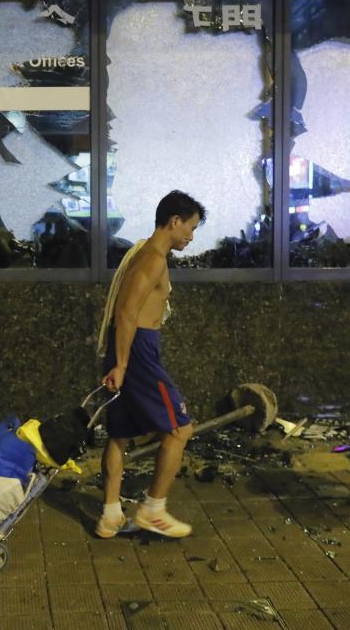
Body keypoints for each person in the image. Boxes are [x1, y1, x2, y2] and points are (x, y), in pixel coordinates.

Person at [96, 190, 206, 539]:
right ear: (175, 221)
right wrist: (125, 365)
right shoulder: (153, 257)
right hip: (139, 353)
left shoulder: (145, 252)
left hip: (128, 350)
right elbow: (127, 311)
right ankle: (152, 509)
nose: (191, 236)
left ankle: (111, 515)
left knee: (120, 434)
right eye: (190, 227)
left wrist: (119, 361)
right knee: (180, 430)